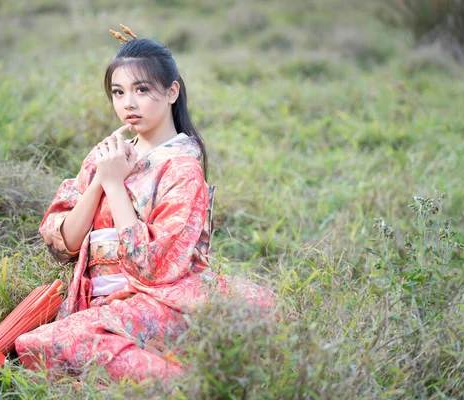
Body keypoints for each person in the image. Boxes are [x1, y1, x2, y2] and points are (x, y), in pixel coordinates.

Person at [15, 26, 275, 383]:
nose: (128, 104)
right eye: (118, 92)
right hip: (102, 301)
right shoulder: (106, 154)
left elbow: (154, 269)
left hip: (159, 298)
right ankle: (170, 369)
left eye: (142, 90)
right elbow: (63, 246)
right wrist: (101, 179)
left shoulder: (182, 169)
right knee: (31, 344)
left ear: (172, 92)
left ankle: (191, 385)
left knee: (44, 344)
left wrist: (114, 186)